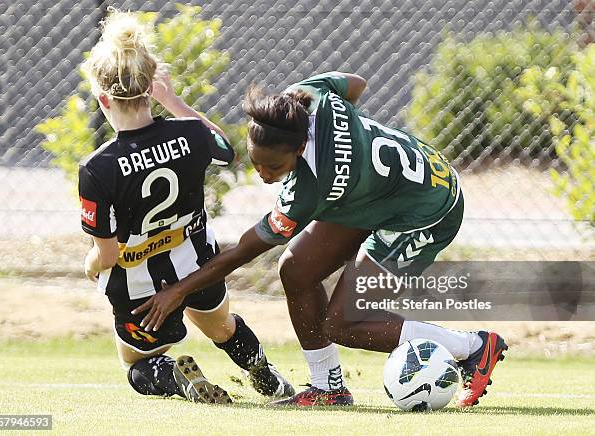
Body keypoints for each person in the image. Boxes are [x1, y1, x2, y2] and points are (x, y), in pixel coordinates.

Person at [132, 72, 508, 407]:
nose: (263, 174)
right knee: (296, 270)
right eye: (256, 162)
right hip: (387, 187)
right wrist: (351, 140)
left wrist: (178, 291)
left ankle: (473, 346)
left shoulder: (309, 189)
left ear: (298, 148)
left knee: (343, 323)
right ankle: (328, 387)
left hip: (427, 209)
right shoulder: (309, 96)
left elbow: (244, 250)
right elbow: (356, 83)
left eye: (274, 167)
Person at [78, 9, 294, 404]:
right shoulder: (190, 133)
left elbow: (106, 254)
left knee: (136, 363)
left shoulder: (98, 168)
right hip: (196, 264)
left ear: (103, 98)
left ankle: (173, 374)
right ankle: (267, 376)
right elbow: (227, 151)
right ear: (149, 88)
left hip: (138, 284)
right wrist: (173, 100)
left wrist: (89, 268)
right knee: (223, 326)